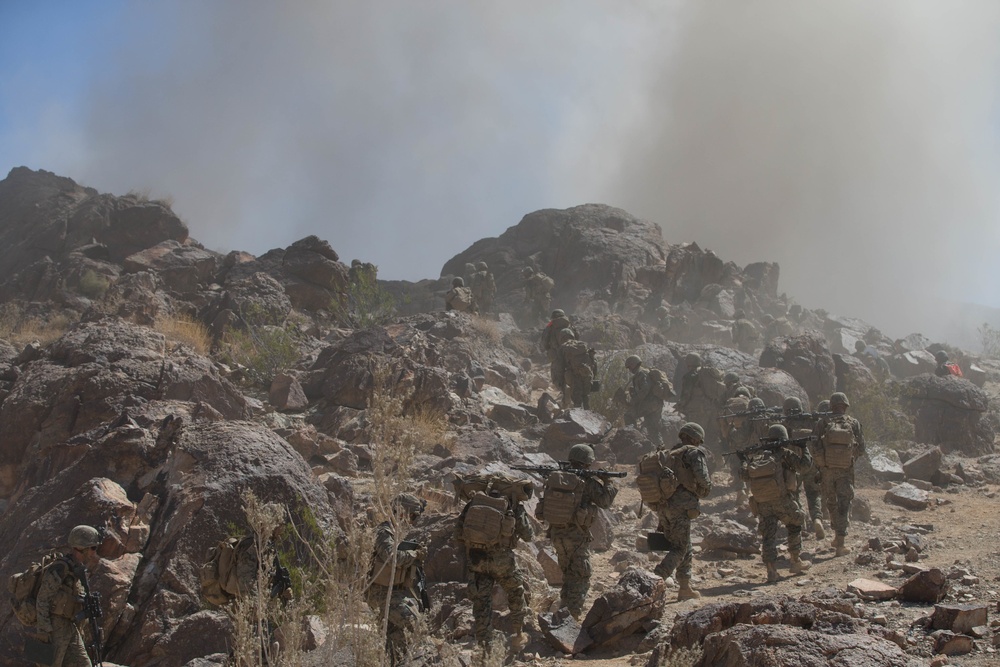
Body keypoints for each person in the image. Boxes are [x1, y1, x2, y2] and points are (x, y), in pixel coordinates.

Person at [535, 444, 617, 618]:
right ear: (587, 462)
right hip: (577, 536)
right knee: (581, 576)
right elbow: (604, 501)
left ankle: (564, 608)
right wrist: (608, 482)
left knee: (568, 573)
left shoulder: (556, 478)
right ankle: (572, 615)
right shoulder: (585, 482)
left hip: (556, 534)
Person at [454, 480, 532, 652]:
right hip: (502, 562)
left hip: (477, 560)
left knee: (482, 602)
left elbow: (458, 533)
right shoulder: (512, 506)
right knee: (515, 592)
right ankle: (518, 634)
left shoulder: (473, 503)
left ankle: (485, 647)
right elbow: (528, 535)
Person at [739, 424, 813, 582]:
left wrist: (743, 461)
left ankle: (771, 571)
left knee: (768, 536)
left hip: (763, 503)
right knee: (795, 524)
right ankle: (795, 561)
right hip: (783, 501)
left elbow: (744, 476)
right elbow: (804, 467)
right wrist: (804, 448)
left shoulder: (758, 457)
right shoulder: (784, 454)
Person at [650, 423, 712, 600]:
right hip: (682, 507)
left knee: (686, 545)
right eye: (699, 441)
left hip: (664, 507)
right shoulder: (693, 453)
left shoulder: (669, 454)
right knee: (679, 548)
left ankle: (685, 588)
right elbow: (704, 480)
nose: (699, 444)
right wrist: (703, 491)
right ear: (694, 438)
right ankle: (654, 581)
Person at [368, 494, 428, 665]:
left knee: (396, 640)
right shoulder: (384, 531)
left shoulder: (397, 533)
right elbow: (390, 557)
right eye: (413, 516)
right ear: (402, 512)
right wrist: (414, 555)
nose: (413, 521)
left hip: (394, 592)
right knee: (414, 624)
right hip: (381, 593)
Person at [34, 525, 102, 667]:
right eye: (93, 548)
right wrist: (44, 630)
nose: (94, 553)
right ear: (82, 547)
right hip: (54, 628)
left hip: (69, 627)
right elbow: (42, 599)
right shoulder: (61, 568)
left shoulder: (76, 570)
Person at [814, 392, 865, 556]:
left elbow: (814, 447)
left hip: (827, 470)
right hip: (845, 471)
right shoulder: (854, 423)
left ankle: (836, 535)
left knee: (831, 501)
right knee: (844, 503)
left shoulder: (822, 422)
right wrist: (848, 459)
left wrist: (823, 464)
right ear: (845, 405)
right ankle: (840, 543)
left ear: (831, 406)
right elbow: (861, 448)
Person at [779, 397, 825, 539]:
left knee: (794, 493)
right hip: (811, 463)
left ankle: (801, 520)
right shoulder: (812, 421)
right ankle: (817, 518)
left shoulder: (785, 424)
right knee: (814, 493)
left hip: (794, 465)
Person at [623, 355, 669, 446]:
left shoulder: (641, 373)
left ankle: (634, 439)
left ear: (634, 364)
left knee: (629, 415)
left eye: (629, 367)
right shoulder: (644, 372)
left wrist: (633, 401)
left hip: (650, 403)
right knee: (653, 428)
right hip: (657, 403)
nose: (629, 370)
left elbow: (645, 389)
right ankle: (660, 449)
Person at [556, 328, 596, 410]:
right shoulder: (581, 344)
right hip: (587, 374)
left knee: (577, 402)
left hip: (575, 377)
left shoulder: (563, 348)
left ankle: (579, 420)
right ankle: (589, 418)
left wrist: (560, 381)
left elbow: (560, 367)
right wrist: (593, 376)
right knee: (586, 397)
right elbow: (593, 361)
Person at [541, 310, 572, 385]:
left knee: (557, 378)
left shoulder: (550, 327)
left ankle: (564, 393)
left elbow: (544, 342)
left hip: (557, 355)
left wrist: (549, 349)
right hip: (571, 354)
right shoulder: (569, 325)